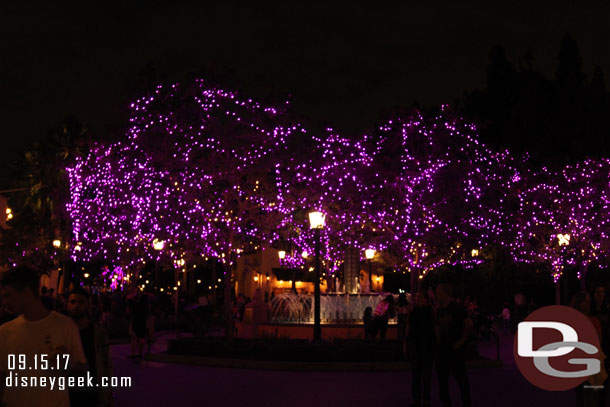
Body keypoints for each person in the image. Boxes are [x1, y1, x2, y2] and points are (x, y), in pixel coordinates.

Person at [0, 266, 88, 407]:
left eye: (8, 295)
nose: (4, 302)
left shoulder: (65, 326)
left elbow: (83, 373)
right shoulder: (5, 332)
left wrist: (67, 365)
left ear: (27, 293)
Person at [66, 287, 113, 407]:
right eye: (73, 302)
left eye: (81, 302)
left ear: (88, 304)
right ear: (67, 304)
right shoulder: (62, 331)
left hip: (91, 393)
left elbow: (106, 364)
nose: (76, 305)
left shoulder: (98, 333)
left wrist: (106, 394)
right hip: (65, 393)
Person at [435, 283, 472, 407]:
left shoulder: (457, 308)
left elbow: (468, 325)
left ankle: (466, 402)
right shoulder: (440, 309)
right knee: (442, 379)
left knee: (461, 378)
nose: (436, 295)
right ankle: (446, 402)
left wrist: (461, 341)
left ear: (445, 293)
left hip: (455, 349)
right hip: (443, 349)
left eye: (438, 292)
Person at [572, 291, 607, 407]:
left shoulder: (593, 319)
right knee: (585, 393)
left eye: (588, 301)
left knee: (590, 392)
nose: (587, 304)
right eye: (584, 301)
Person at [407, 290, 437, 407]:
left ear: (425, 299)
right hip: (416, 345)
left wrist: (437, 342)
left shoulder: (430, 311)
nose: (418, 299)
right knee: (416, 374)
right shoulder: (414, 311)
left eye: (421, 297)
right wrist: (406, 342)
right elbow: (409, 326)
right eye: (417, 297)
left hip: (427, 345)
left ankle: (426, 398)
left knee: (426, 374)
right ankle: (416, 398)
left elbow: (435, 326)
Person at [591, 284, 610, 407]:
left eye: (602, 292)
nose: (601, 294)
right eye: (598, 292)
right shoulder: (591, 310)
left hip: (606, 346)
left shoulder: (606, 309)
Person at [127, 289, 148, 358]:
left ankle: (133, 353)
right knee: (141, 337)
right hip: (142, 321)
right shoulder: (145, 307)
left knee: (134, 337)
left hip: (135, 321)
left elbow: (129, 301)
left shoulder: (135, 305)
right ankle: (140, 352)